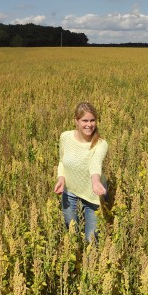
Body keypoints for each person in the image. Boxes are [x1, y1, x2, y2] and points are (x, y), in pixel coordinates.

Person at [54, 102, 108, 242]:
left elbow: (95, 164)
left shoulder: (101, 143)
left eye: (92, 120)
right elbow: (62, 161)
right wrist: (61, 179)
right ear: (76, 121)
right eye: (85, 120)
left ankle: (90, 264)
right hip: (70, 192)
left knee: (92, 240)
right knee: (72, 235)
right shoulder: (65, 137)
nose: (89, 124)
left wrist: (95, 182)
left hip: (92, 195)